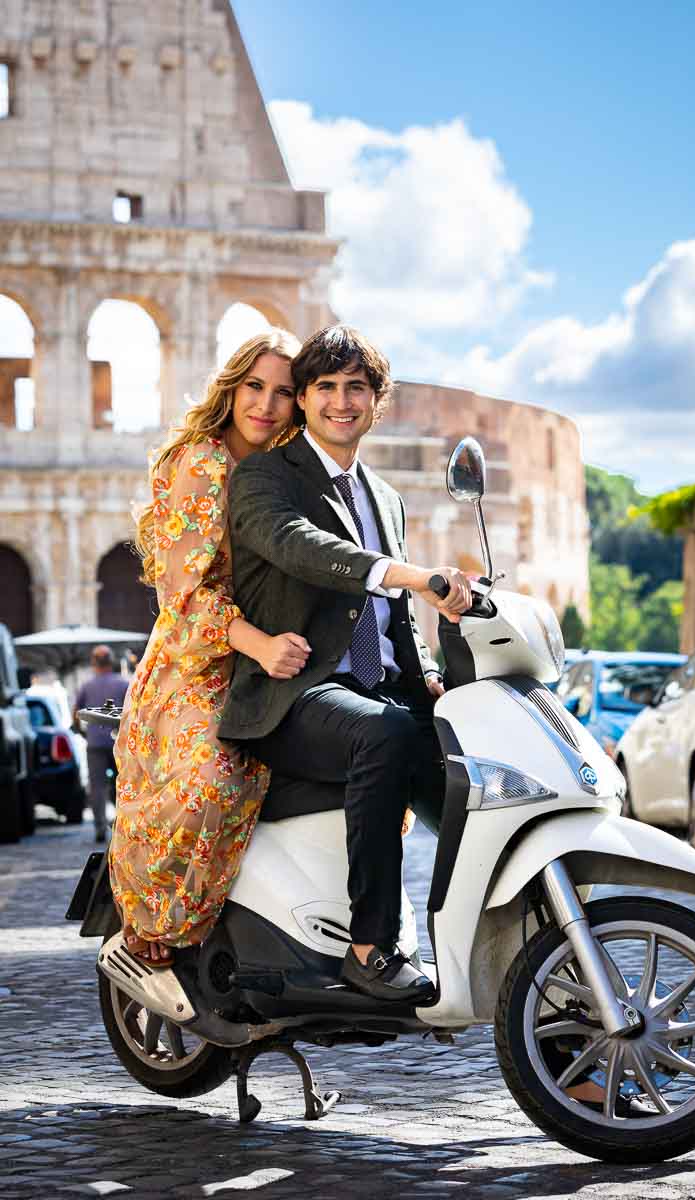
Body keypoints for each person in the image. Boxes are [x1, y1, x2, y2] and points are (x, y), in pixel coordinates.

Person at [219, 325, 472, 1003]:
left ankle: (524, 948)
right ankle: (369, 949)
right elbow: (300, 546)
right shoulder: (265, 477)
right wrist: (410, 575)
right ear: (302, 400)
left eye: (355, 387)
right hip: (293, 697)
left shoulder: (386, 497)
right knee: (383, 735)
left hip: (382, 693)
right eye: (325, 387)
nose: (340, 401)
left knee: (483, 775)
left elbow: (395, 622)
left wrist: (428, 679)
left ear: (376, 400)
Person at [109, 330, 309, 968]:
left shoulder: (287, 468)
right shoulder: (204, 460)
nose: (267, 405)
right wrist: (260, 644)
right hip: (196, 663)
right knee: (212, 778)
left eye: (283, 392)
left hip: (274, 653)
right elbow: (185, 595)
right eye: (256, 386)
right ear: (232, 386)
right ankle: (151, 923)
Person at [73, 646, 129, 842]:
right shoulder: (124, 684)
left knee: (97, 787)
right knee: (124, 783)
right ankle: (123, 825)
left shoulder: (86, 686)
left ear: (93, 663)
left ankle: (99, 828)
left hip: (95, 743)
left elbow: (76, 713)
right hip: (120, 742)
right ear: (111, 662)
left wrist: (82, 732)